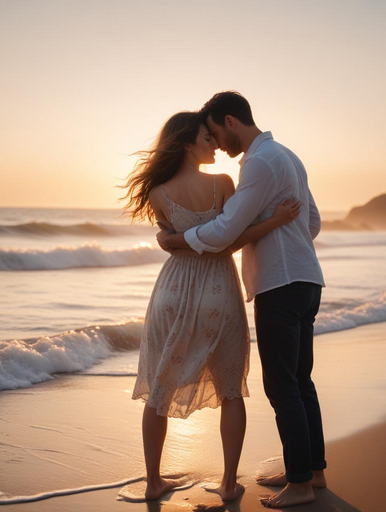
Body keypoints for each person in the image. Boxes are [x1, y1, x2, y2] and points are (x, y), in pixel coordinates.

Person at [156, 92, 326, 509]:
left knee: (282, 386)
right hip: (306, 279)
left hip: (280, 285)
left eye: (215, 132)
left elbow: (226, 230)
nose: (217, 143)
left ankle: (301, 486)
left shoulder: (258, 163)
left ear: (230, 121)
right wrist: (288, 238)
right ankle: (311, 469)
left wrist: (176, 240)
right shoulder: (287, 155)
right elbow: (314, 222)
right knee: (300, 381)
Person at [120, 111, 300, 502]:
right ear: (186, 143)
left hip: (172, 289)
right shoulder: (222, 184)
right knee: (230, 390)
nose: (215, 144)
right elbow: (227, 240)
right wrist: (276, 221)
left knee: (159, 388)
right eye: (206, 138)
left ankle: (153, 483)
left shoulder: (157, 193)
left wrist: (173, 238)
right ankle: (228, 483)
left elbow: (175, 240)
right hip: (217, 287)